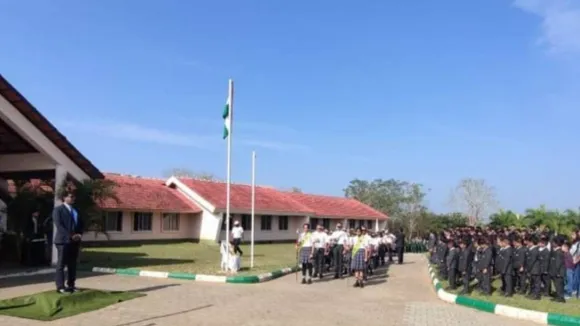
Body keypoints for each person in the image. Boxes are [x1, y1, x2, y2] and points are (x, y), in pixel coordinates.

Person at [53, 191, 83, 294]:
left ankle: (71, 285)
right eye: (71, 196)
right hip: (63, 241)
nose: (73, 198)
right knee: (61, 264)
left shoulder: (75, 211)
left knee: (72, 264)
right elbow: (59, 225)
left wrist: (79, 234)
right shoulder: (58, 210)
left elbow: (80, 224)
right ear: (64, 198)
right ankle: (60, 286)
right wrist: (70, 235)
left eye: (74, 196)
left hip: (74, 242)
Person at [549, 236, 566, 303]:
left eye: (553, 242)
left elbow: (557, 264)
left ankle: (560, 298)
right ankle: (559, 297)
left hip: (558, 272)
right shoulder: (556, 251)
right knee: (557, 285)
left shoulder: (558, 252)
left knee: (558, 285)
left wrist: (556, 272)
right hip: (556, 272)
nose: (552, 243)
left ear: (557, 243)